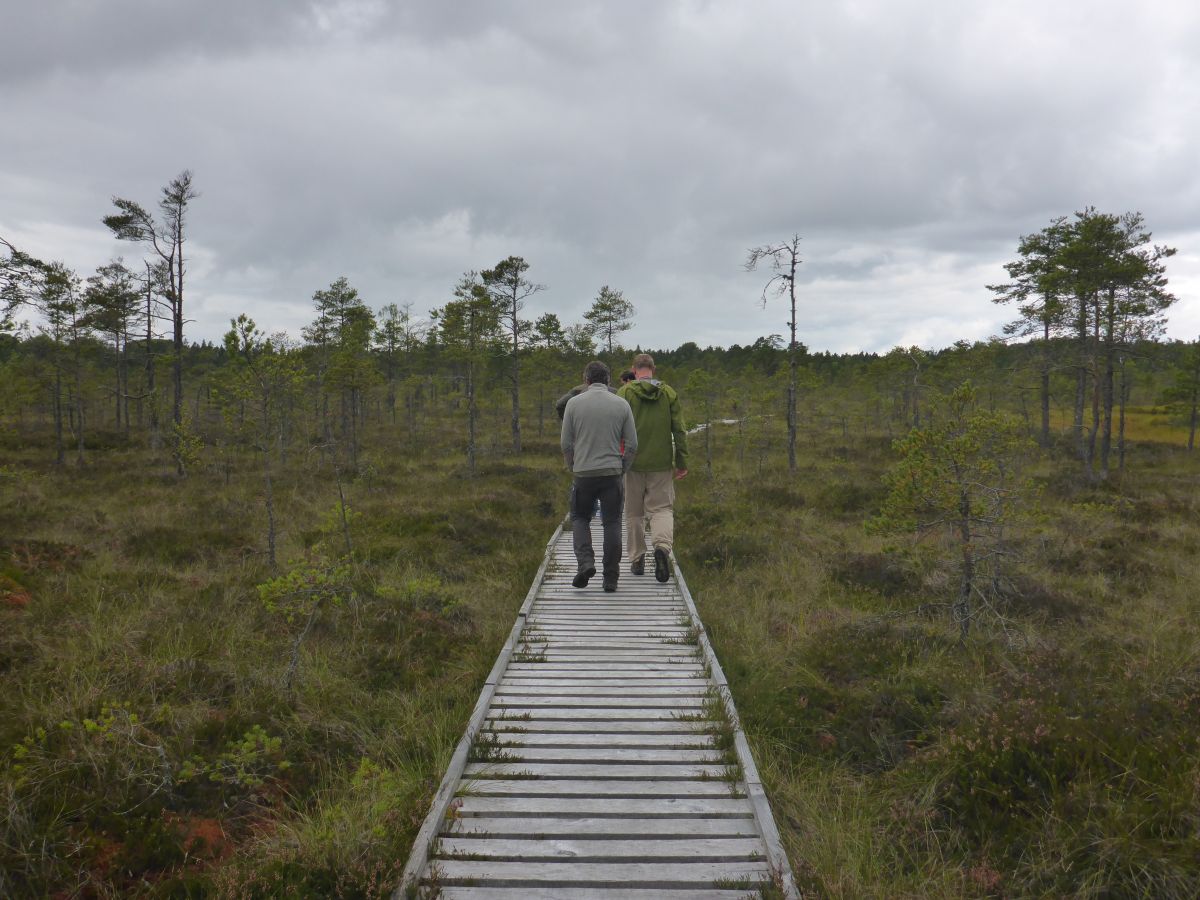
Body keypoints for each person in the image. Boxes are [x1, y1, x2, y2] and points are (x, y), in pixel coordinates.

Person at [561, 361, 638, 592]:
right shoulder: (622, 404)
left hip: (583, 474)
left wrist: (572, 465)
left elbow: (566, 443)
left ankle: (585, 563)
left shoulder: (573, 404)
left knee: (580, 518)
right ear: (608, 380)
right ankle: (611, 578)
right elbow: (633, 444)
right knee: (612, 522)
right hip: (612, 473)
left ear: (586, 380)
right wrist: (623, 467)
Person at [618, 353, 688, 583]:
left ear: (634, 370)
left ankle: (637, 559)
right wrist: (681, 461)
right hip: (661, 463)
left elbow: (616, 427)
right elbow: (679, 430)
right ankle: (662, 547)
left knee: (634, 512)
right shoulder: (668, 393)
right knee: (662, 509)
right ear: (653, 370)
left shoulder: (625, 392)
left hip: (631, 463)